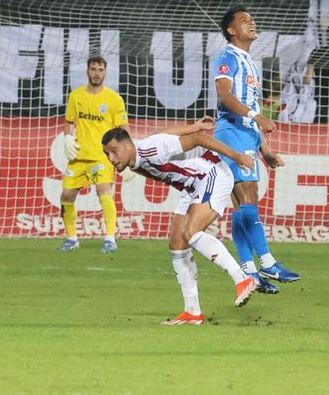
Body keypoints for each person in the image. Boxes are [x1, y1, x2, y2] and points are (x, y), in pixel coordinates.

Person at [101, 123, 259, 324]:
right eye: (107, 154)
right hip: (191, 185)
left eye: (114, 151)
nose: (111, 159)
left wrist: (236, 156)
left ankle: (242, 279)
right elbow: (161, 133)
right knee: (177, 244)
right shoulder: (136, 156)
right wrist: (195, 124)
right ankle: (192, 312)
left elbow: (199, 139)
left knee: (190, 233)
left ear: (129, 145)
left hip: (211, 174)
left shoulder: (150, 151)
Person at [212, 7, 301, 295]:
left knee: (242, 203)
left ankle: (249, 272)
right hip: (232, 130)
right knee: (248, 193)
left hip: (247, 135)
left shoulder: (249, 61)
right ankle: (268, 262)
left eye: (252, 19)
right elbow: (225, 97)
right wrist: (256, 116)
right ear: (231, 30)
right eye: (244, 20)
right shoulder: (227, 57)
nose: (251, 23)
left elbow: (252, 109)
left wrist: (265, 150)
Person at [58, 56, 129, 253]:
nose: (96, 73)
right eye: (93, 69)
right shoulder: (76, 96)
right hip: (79, 156)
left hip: (101, 156)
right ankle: (72, 239)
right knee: (66, 195)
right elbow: (70, 122)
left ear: (105, 72)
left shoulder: (114, 99)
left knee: (104, 192)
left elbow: (124, 129)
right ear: (87, 71)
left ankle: (110, 239)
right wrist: (67, 138)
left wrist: (126, 155)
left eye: (100, 69)